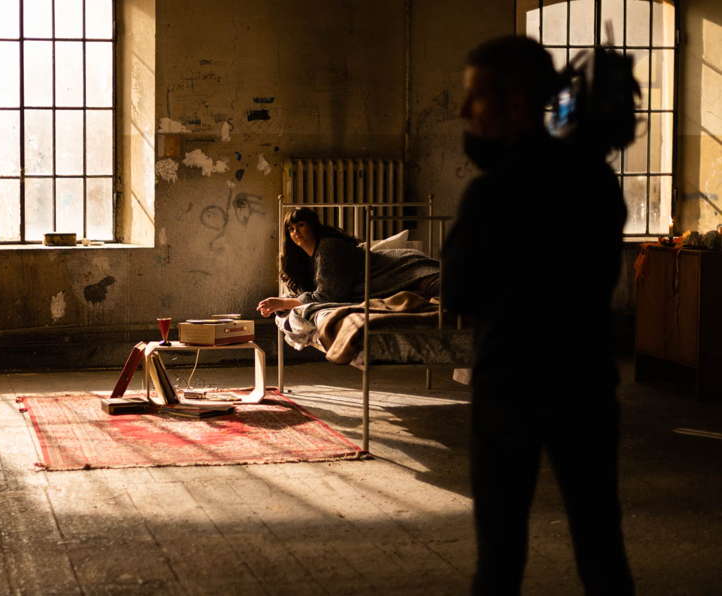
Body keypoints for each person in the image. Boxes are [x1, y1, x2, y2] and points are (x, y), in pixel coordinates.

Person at [442, 35, 634, 595]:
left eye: (474, 97)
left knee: (499, 557)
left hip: (509, 387)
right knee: (601, 543)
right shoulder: (596, 180)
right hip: (587, 382)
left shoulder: (492, 193)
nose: (463, 111)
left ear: (516, 103)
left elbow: (456, 293)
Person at [257, 207, 439, 318]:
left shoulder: (329, 248)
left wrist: (283, 303)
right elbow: (313, 293)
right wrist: (284, 302)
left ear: (313, 226)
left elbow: (328, 297)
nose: (296, 231)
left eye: (301, 225)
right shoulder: (307, 261)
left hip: (406, 269)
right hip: (398, 280)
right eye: (291, 229)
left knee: (452, 290)